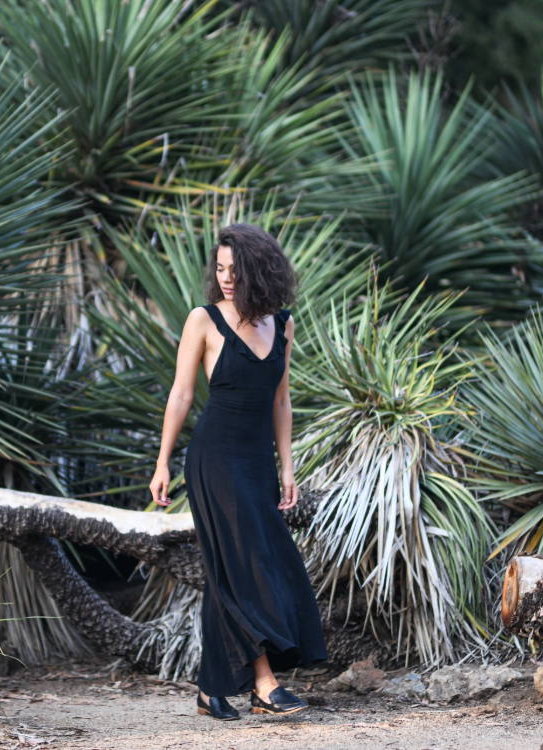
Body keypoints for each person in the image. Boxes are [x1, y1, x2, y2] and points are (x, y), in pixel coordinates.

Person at [149, 223, 327, 721]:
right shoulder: (203, 320)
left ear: (259, 269)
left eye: (236, 269)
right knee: (244, 565)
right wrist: (162, 462)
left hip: (256, 464)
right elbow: (182, 394)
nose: (225, 278)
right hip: (214, 460)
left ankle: (211, 690)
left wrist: (287, 468)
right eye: (220, 268)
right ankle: (264, 684)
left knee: (241, 567)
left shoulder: (282, 324)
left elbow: (282, 400)